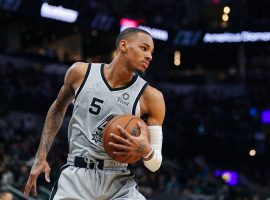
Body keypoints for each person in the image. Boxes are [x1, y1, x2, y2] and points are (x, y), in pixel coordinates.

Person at [24, 27, 166, 200]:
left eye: (151, 52)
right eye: (144, 48)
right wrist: (41, 156)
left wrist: (146, 150)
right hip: (77, 176)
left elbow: (155, 163)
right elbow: (57, 108)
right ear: (123, 46)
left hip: (119, 182)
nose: (149, 56)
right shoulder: (80, 73)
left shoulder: (152, 97)